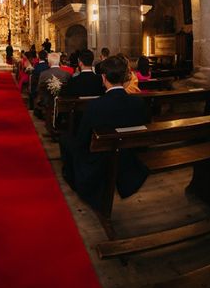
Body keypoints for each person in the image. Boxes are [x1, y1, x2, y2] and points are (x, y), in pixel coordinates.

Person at [61, 55, 149, 209]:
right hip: (128, 155)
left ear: (104, 77)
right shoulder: (139, 102)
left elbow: (83, 140)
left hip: (101, 159)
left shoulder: (95, 106)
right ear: (125, 78)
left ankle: (74, 180)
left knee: (66, 140)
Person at [30, 50, 49, 114]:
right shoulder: (48, 66)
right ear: (46, 57)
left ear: (38, 57)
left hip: (38, 88)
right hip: (47, 88)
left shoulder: (36, 66)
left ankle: (33, 107)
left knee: (33, 88)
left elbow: (34, 79)